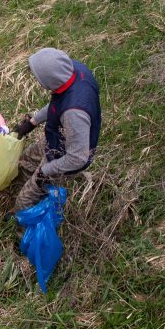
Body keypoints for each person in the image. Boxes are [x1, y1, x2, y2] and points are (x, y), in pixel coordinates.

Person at [13, 48, 102, 211]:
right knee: (25, 161)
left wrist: (45, 171)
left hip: (63, 157)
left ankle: (26, 231)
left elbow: (77, 158)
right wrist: (32, 122)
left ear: (50, 80)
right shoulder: (73, 71)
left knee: (24, 203)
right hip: (54, 140)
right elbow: (59, 103)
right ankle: (23, 187)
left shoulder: (74, 114)